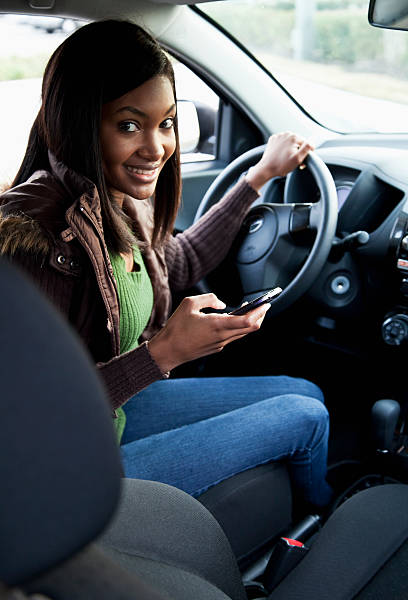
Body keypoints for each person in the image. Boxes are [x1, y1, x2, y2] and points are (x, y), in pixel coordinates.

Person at [0, 19, 332, 511]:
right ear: (79, 122)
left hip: (116, 411)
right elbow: (33, 415)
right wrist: (162, 355)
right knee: (307, 418)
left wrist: (258, 177)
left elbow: (182, 260)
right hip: (66, 470)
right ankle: (312, 541)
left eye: (167, 123)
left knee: (304, 390)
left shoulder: (112, 200)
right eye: (129, 125)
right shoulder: (35, 241)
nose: (156, 148)